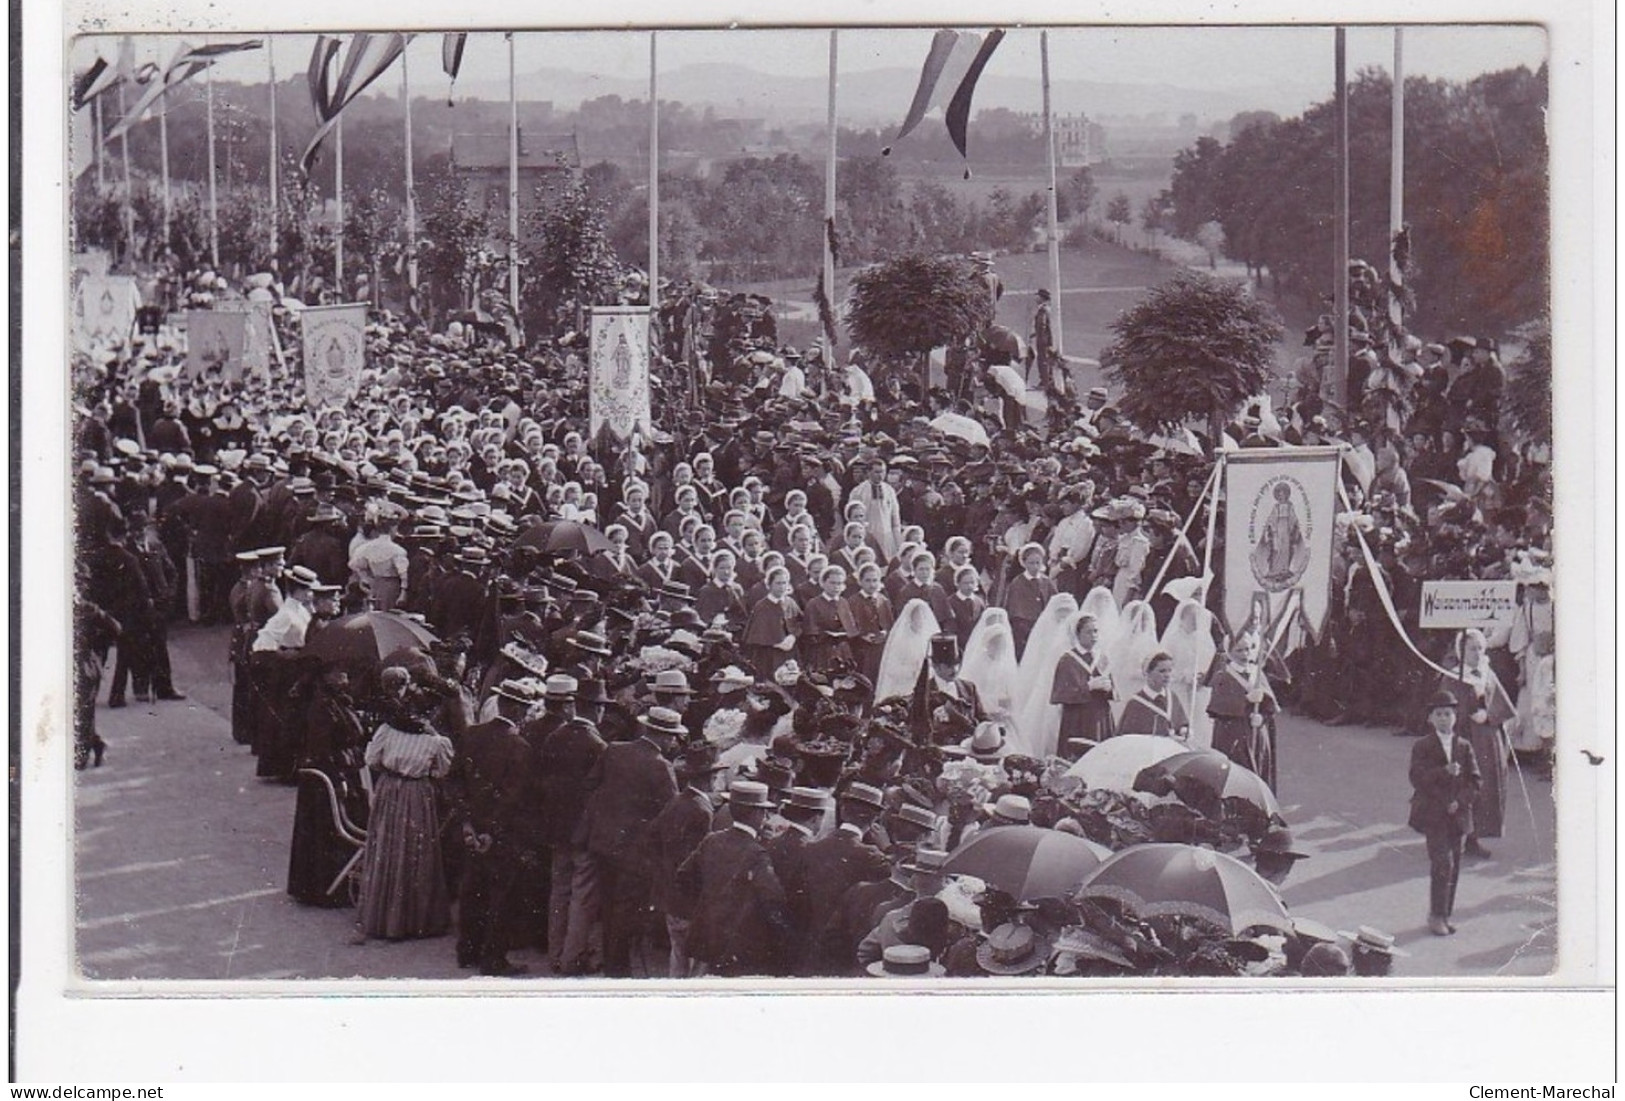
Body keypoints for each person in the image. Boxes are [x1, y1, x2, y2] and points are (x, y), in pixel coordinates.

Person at [444, 678, 540, 976]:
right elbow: (512, 798)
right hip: (501, 834)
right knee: (501, 895)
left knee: (472, 889)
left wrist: (468, 823)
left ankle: (467, 951)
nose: (525, 714)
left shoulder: (472, 735)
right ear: (516, 708)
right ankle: (493, 959)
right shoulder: (520, 747)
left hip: (471, 829)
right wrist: (490, 830)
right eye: (523, 708)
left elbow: (453, 780)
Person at [355, 680, 456, 941]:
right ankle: (412, 919)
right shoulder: (436, 742)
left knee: (387, 848)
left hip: (389, 790)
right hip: (416, 793)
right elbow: (442, 772)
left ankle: (382, 916)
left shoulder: (387, 730)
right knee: (415, 852)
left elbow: (371, 760)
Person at [674, 779, 794, 977]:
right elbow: (773, 898)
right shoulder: (757, 853)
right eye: (763, 811)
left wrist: (706, 901)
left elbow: (684, 875)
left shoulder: (712, 839)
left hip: (706, 934)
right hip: (737, 943)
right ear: (757, 813)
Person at [286, 663, 368, 908]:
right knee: (329, 828)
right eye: (340, 673)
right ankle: (324, 887)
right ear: (327, 677)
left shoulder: (339, 701)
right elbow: (322, 747)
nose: (345, 678)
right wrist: (339, 778)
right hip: (329, 776)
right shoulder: (322, 707)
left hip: (343, 769)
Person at [1434, 628, 1516, 859]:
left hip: (1487, 742)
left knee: (1483, 789)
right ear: (1461, 651)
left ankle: (1473, 839)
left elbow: (1503, 705)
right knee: (1459, 789)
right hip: (1463, 739)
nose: (1477, 653)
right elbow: (1442, 710)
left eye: (1480, 648)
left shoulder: (1487, 673)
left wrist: (1488, 715)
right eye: (1471, 648)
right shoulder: (1452, 676)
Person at [1408, 691, 1482, 936]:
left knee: (1455, 865)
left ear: (1455, 716)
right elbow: (1418, 778)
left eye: (1448, 714)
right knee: (1443, 863)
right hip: (1433, 814)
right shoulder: (1423, 746)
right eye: (1438, 714)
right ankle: (1436, 915)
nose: (1443, 719)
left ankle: (1446, 914)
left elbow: (1475, 780)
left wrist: (1459, 802)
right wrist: (1444, 772)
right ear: (1430, 718)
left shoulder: (1464, 745)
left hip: (1458, 815)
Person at [1206, 632, 1278, 781]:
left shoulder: (1257, 673)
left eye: (1248, 648)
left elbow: (1270, 705)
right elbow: (1218, 707)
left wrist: (1262, 716)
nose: (1245, 654)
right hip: (1233, 734)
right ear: (1229, 652)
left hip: (1256, 733)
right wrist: (1244, 701)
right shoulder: (1223, 675)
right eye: (1239, 650)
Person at [1049, 614, 1115, 757]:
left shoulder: (1101, 657)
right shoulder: (1067, 660)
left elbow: (1112, 689)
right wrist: (1088, 687)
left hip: (1099, 713)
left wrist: (1109, 688)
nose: (1093, 636)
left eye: (1096, 631)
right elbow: (1061, 694)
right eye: (1088, 632)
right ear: (1078, 634)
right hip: (1078, 717)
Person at [1115, 652, 1189, 740]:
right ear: (1148, 673)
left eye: (1170, 670)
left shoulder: (1172, 697)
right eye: (1162, 671)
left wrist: (1184, 730)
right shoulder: (1135, 704)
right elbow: (1126, 738)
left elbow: (1181, 723)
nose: (1167, 675)